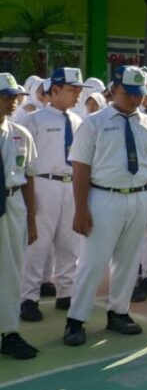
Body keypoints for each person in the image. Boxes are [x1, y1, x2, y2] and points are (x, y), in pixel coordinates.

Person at [64, 65, 147, 346]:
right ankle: (76, 319)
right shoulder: (94, 123)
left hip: (139, 197)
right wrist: (81, 208)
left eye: (139, 94)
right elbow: (80, 168)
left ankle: (119, 312)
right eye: (129, 93)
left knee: (128, 259)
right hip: (103, 196)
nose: (135, 99)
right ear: (114, 89)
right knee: (92, 261)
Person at [19, 67, 84, 324]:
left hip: (70, 185)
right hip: (43, 183)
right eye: (71, 89)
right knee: (38, 244)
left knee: (70, 243)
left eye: (78, 90)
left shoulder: (78, 121)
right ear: (54, 90)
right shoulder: (33, 120)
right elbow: (25, 162)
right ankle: (29, 297)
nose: (76, 95)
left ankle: (66, 292)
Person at [0, 74, 40, 359]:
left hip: (12, 204)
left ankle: (9, 332)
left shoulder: (20, 133)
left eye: (15, 95)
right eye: (6, 96)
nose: (13, 101)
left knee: (12, 271)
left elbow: (29, 178)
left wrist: (32, 218)